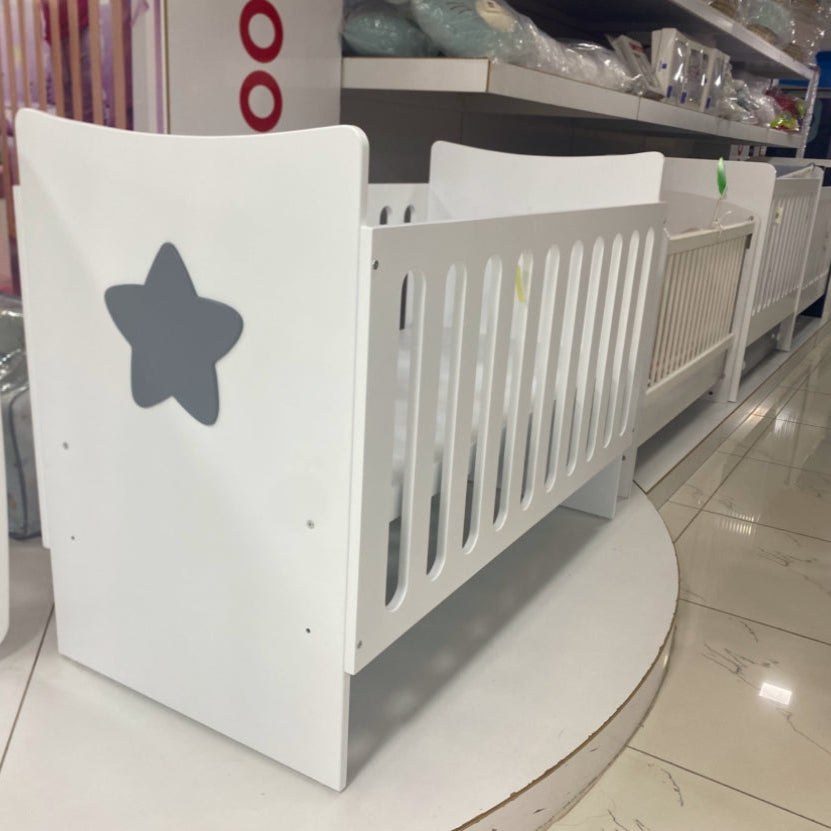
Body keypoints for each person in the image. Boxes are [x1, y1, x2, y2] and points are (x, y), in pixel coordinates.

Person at [42, 0, 92, 122]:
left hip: (84, 23)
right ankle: (67, 126)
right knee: (63, 87)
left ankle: (93, 126)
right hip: (56, 31)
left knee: (88, 83)